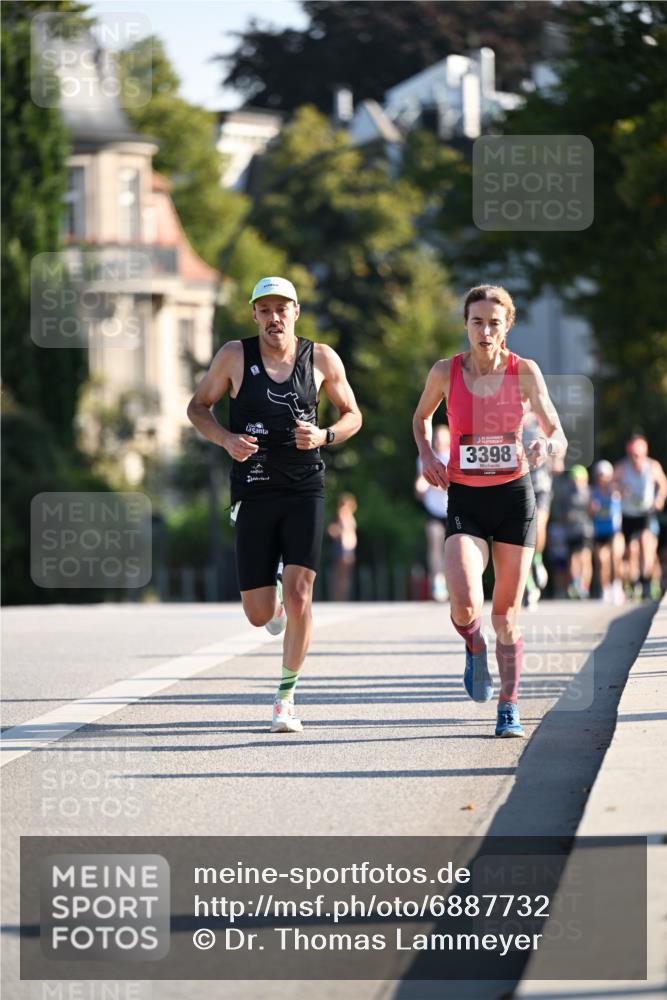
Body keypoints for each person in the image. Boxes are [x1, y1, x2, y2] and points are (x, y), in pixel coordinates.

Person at [187, 276, 362, 732]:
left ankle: (285, 697)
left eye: (282, 309)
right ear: (255, 316)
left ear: (296, 312)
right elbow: (197, 407)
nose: (274, 318)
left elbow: (353, 415)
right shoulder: (233, 356)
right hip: (254, 489)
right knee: (258, 613)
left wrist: (324, 436)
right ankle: (276, 606)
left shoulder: (320, 358)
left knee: (304, 591)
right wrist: (226, 439)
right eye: (264, 310)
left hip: (306, 487)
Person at [413, 284, 567, 738]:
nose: (485, 331)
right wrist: (427, 453)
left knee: (507, 616)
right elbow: (421, 418)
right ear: (465, 324)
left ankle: (509, 704)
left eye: (494, 323)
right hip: (465, 496)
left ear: (507, 328)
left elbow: (556, 429)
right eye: (477, 321)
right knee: (464, 602)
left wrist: (546, 443)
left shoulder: (525, 372)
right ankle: (472, 645)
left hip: (514, 498)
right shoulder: (446, 371)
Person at [614, 435, 667, 599]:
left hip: (646, 512)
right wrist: (620, 490)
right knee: (631, 551)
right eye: (632, 455)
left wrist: (659, 498)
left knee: (646, 544)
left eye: (638, 455)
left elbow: (663, 484)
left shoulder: (652, 466)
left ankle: (646, 582)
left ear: (644, 453)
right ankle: (634, 581)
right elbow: (611, 485)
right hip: (628, 514)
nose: (635, 458)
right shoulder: (622, 467)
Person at [414, 424, 450, 602]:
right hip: (433, 511)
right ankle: (437, 581)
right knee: (435, 544)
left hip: (452, 511)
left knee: (451, 550)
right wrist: (422, 487)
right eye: (436, 438)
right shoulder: (424, 458)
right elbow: (420, 487)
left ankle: (453, 583)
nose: (438, 441)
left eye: (442, 438)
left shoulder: (454, 456)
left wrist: (437, 486)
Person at [521, 412, 553, 607]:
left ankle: (538, 560)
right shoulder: (506, 422)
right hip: (520, 486)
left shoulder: (540, 421)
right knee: (521, 538)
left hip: (541, 487)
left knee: (539, 526)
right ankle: (529, 587)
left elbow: (558, 443)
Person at [589, 459, 624, 604]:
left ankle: (617, 586)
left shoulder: (615, 491)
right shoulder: (593, 493)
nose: (603, 478)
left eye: (605, 475)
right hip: (600, 532)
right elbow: (589, 513)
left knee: (615, 556)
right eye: (600, 475)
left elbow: (625, 491)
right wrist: (592, 509)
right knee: (602, 561)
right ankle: (606, 589)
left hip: (615, 531)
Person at [564, 465, 594, 599]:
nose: (576, 482)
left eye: (579, 479)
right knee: (573, 558)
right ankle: (576, 583)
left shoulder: (590, 492)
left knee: (585, 557)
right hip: (571, 531)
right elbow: (560, 513)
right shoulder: (566, 494)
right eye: (573, 479)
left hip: (586, 530)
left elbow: (593, 512)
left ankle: (585, 587)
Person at [327, 493, 358, 601]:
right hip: (343, 549)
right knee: (341, 576)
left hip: (349, 549)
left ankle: (341, 598)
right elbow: (332, 530)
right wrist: (339, 534)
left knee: (344, 576)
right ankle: (339, 599)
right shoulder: (342, 515)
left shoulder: (348, 515)